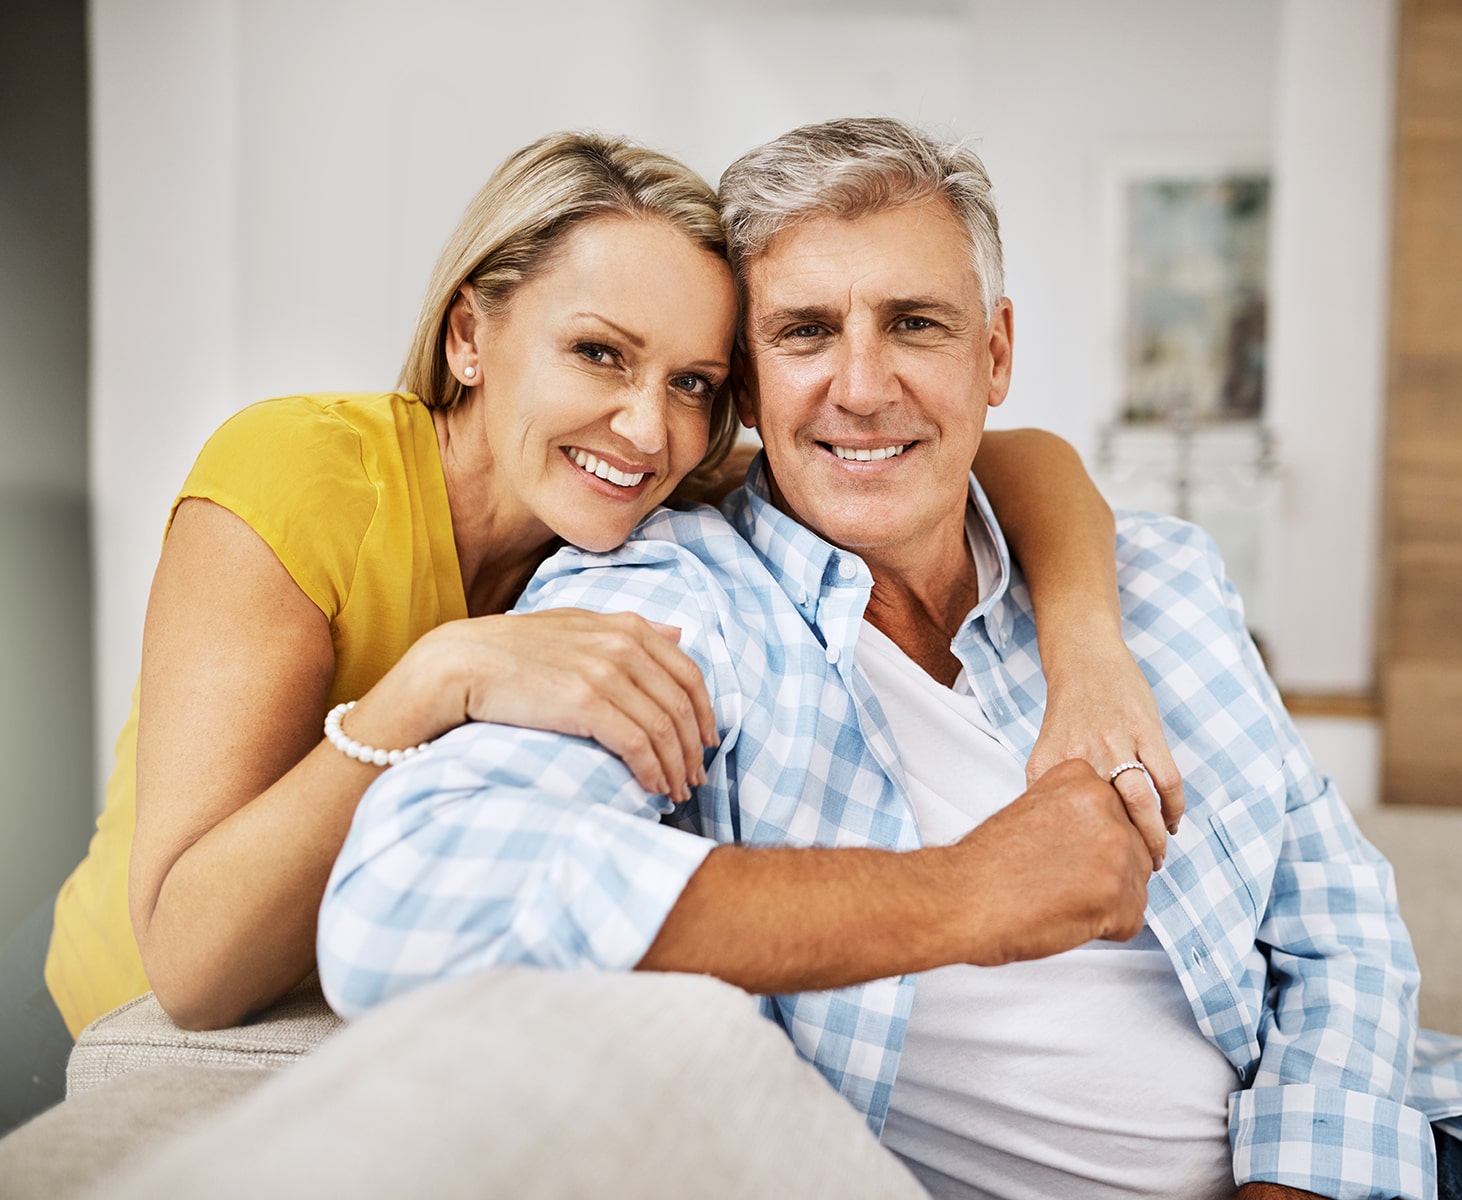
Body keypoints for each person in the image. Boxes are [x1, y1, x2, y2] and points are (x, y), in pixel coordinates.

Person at [318, 118, 1462, 1200]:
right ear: (751, 393)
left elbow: (1337, 931)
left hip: (1406, 1146)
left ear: (994, 354)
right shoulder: (673, 602)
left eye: (915, 325)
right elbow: (406, 902)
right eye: (806, 332)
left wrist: (1296, 1181)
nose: (863, 386)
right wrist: (964, 894)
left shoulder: (1157, 585)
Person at [0, 131, 1176, 1137]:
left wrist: (1088, 650)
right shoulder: (301, 476)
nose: (643, 424)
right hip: (110, 1020)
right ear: (470, 335)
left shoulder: (657, 505)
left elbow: (1019, 457)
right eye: (598, 354)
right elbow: (193, 968)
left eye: (692, 382)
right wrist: (437, 679)